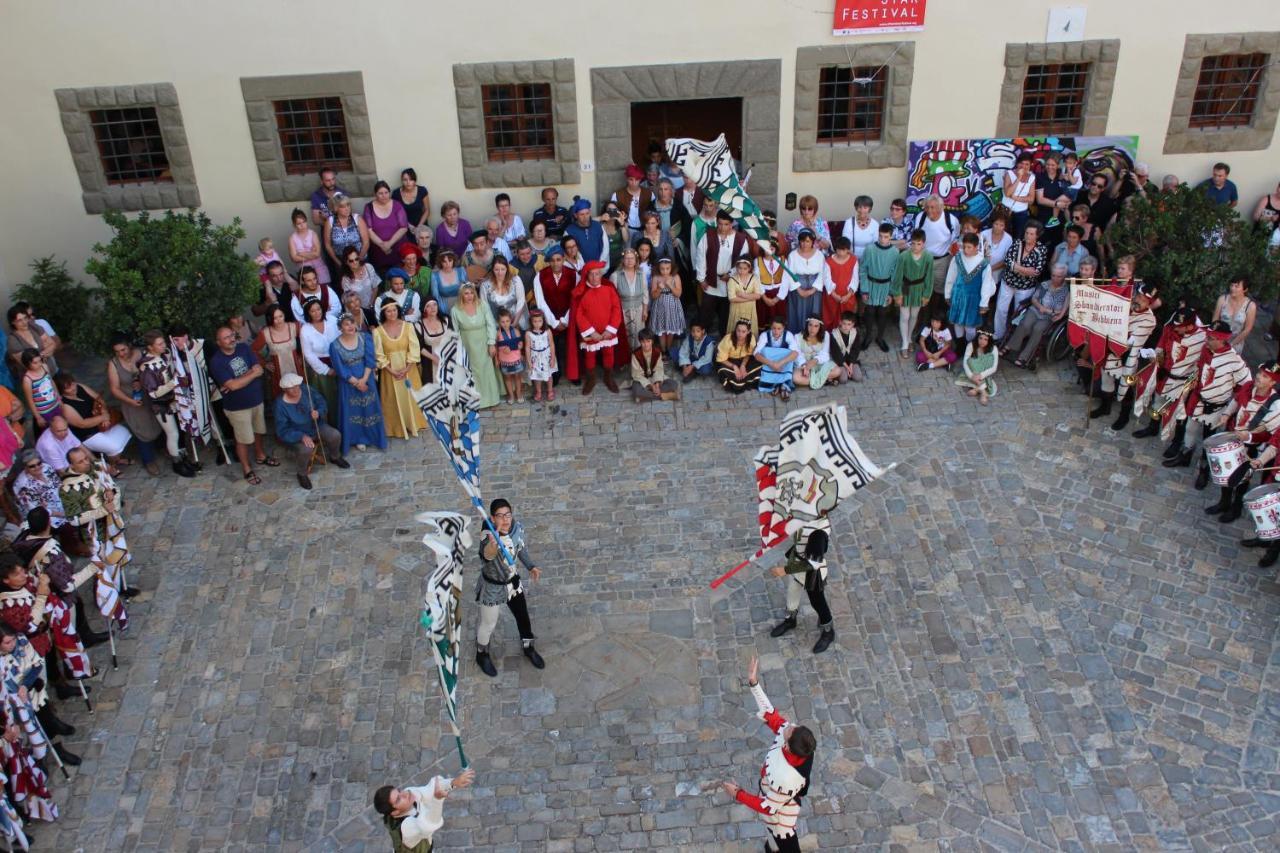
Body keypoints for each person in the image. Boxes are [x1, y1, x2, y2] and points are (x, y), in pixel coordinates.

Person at [720, 655, 816, 853]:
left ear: (788, 747)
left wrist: (738, 794)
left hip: (780, 816)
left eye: (789, 730)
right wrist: (754, 683)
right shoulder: (795, 739)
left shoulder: (788, 779)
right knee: (771, 841)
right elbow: (771, 715)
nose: (787, 725)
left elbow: (767, 807)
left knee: (784, 842)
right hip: (772, 796)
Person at [1164, 321, 1252, 474]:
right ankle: (1185, 456)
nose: (1207, 340)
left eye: (1211, 338)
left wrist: (1233, 404)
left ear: (1221, 339)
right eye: (1207, 337)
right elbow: (1201, 369)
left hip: (1216, 406)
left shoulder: (1235, 361)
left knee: (1209, 439)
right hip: (1198, 399)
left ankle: (1204, 468)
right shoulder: (1206, 349)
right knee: (1190, 429)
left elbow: (1246, 385)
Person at [474, 498, 546, 677]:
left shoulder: (515, 527)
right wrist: (493, 545)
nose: (505, 520)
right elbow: (487, 556)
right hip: (493, 587)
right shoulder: (487, 536)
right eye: (500, 516)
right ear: (492, 518)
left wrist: (531, 566)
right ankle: (481, 654)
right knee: (488, 624)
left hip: (513, 583)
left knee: (523, 618)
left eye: (508, 515)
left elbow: (520, 549)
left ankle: (529, 648)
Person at [1203, 361, 1280, 523]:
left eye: (1265, 376)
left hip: (1253, 445)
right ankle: (1224, 502)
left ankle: (1236, 508)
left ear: (1273, 382)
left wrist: (1248, 437)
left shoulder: (1276, 404)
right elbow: (1236, 401)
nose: (1259, 377)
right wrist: (1226, 414)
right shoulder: (1249, 386)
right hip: (1234, 435)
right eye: (1259, 373)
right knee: (1226, 471)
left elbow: (1268, 432)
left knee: (1242, 478)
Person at [1090, 280, 1159, 431]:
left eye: (1144, 300)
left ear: (1149, 303)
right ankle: (1105, 407)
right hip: (1112, 351)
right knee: (1106, 381)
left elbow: (1131, 342)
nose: (1139, 300)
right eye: (1139, 296)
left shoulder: (1149, 320)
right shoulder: (1125, 306)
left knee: (1126, 388)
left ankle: (1124, 416)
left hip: (1129, 359)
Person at [207, 326, 272, 485]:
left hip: (256, 400)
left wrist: (241, 379)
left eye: (232, 335)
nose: (231, 339)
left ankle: (261, 456)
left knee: (258, 431)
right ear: (219, 342)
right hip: (237, 407)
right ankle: (246, 469)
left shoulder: (243, 348)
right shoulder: (216, 362)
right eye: (226, 338)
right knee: (242, 439)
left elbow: (259, 370)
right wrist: (250, 374)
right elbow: (234, 386)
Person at [1132, 307, 1205, 439]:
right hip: (1165, 375)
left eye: (1180, 326)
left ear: (1189, 326)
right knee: (1157, 403)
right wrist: (1158, 363)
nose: (1175, 328)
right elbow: (1160, 348)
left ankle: (1176, 441)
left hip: (1185, 381)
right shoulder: (1169, 329)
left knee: (1179, 411)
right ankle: (1153, 427)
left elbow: (1203, 363)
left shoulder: (1203, 338)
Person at [767, 522, 836, 653]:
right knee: (792, 592)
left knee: (818, 603)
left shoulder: (818, 533)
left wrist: (785, 570)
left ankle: (828, 631)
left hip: (812, 573)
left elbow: (813, 563)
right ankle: (790, 620)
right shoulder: (804, 519)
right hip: (797, 565)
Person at [273, 373, 348, 490]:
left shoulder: (305, 389)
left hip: (316, 426)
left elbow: (321, 402)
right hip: (298, 434)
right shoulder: (280, 405)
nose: (296, 389)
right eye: (291, 388)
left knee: (335, 435)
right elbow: (282, 430)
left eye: (297, 386)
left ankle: (335, 457)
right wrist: (301, 436)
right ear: (284, 389)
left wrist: (318, 412)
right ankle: (302, 474)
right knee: (306, 449)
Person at [373, 768, 476, 853]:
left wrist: (454, 782)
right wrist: (437, 800)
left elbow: (430, 789)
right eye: (399, 799)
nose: (404, 794)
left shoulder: (410, 794)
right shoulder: (406, 828)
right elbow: (429, 824)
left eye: (399, 791)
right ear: (395, 812)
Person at [326, 313, 386, 455]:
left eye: (352, 323)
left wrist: (364, 379)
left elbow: (370, 360)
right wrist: (355, 382)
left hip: (366, 377)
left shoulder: (365, 337)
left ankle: (374, 436)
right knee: (353, 411)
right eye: (346, 324)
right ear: (340, 328)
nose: (350, 326)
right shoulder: (334, 345)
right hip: (348, 383)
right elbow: (340, 368)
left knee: (369, 408)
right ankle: (358, 438)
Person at [137, 330, 196, 477]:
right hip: (161, 405)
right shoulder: (147, 367)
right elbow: (153, 393)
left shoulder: (165, 355)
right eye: (160, 344)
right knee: (173, 434)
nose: (164, 345)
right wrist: (174, 382)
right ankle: (177, 463)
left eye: (163, 342)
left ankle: (184, 459)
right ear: (150, 347)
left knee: (181, 432)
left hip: (174, 400)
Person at [105, 335, 162, 475]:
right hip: (131, 402)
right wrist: (130, 401)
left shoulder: (142, 353)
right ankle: (148, 460)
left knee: (158, 422)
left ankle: (162, 447)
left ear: (129, 346)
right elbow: (114, 389)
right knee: (140, 430)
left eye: (123, 349)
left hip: (151, 396)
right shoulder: (113, 364)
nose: (121, 354)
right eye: (117, 351)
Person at [373, 302, 426, 438]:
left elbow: (414, 348)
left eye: (394, 310)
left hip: (408, 368)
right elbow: (379, 354)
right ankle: (396, 427)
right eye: (388, 311)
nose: (392, 313)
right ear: (384, 313)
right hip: (390, 371)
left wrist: (407, 368)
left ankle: (413, 423)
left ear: (398, 311)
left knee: (410, 396)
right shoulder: (378, 331)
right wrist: (392, 371)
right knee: (393, 399)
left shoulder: (408, 327)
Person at [1002, 265, 1069, 368]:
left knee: (1038, 329)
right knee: (1024, 324)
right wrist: (1040, 307)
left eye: (1058, 276)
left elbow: (1063, 310)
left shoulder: (1066, 292)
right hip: (1035, 310)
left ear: (1064, 277)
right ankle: (1010, 346)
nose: (1055, 278)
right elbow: (1034, 299)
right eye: (1053, 275)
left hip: (1049, 316)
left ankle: (1024, 357)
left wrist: (1047, 310)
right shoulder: (1045, 284)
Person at [696, 210, 749, 334]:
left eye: (726, 224)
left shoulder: (741, 239)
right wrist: (701, 279)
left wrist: (731, 274)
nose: (722, 227)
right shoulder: (708, 236)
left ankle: (725, 343)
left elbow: (743, 260)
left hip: (729, 283)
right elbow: (701, 257)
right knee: (705, 314)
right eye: (720, 224)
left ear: (732, 224)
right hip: (711, 282)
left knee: (726, 317)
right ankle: (702, 340)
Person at [912, 195, 961, 330]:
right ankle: (922, 321)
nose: (929, 210)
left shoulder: (951, 220)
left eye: (933, 207)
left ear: (941, 207)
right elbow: (916, 237)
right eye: (927, 207)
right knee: (922, 290)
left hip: (942, 260)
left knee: (939, 292)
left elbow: (955, 241)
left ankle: (936, 321)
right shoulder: (920, 217)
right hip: (923, 260)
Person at [993, 221, 1047, 341]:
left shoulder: (1041, 250)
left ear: (1037, 236)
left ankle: (1013, 338)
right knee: (1001, 309)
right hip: (1008, 283)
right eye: (1027, 233)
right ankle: (999, 334)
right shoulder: (1017, 243)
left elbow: (1036, 272)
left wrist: (1016, 267)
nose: (1028, 236)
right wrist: (1025, 270)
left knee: (1019, 314)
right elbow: (1007, 261)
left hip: (1025, 288)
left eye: (1031, 234)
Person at [453, 283, 503, 409]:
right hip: (468, 345)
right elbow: (455, 332)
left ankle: (491, 399)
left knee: (486, 370)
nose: (469, 296)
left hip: (484, 342)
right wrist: (459, 350)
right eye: (466, 293)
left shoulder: (482, 305)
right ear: (461, 295)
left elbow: (491, 323)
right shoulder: (455, 310)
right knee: (472, 372)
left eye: (471, 292)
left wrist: (491, 343)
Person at [944, 234, 996, 343]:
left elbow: (986, 285)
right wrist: (948, 294)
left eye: (969, 247)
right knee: (958, 322)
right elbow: (951, 277)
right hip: (958, 296)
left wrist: (983, 304)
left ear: (976, 246)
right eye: (964, 247)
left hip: (973, 299)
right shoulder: (957, 258)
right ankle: (960, 344)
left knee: (970, 326)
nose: (966, 250)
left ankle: (970, 344)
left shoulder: (983, 263)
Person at [533, 247, 576, 375]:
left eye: (558, 259)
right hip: (550, 320)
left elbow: (575, 299)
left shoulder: (573, 274)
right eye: (552, 260)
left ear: (563, 259)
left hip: (569, 318)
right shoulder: (540, 276)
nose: (556, 263)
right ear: (548, 262)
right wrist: (555, 322)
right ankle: (555, 374)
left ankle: (573, 374)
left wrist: (565, 320)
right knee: (552, 348)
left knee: (571, 348)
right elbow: (540, 301)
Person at [299, 299, 340, 427]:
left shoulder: (332, 320)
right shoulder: (305, 330)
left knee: (342, 395)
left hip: (339, 362)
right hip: (320, 368)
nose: (317, 313)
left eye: (318, 309)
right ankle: (330, 428)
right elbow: (308, 355)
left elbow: (342, 338)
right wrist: (326, 370)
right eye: (312, 311)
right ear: (308, 313)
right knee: (327, 397)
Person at [858, 223, 898, 351]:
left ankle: (880, 337)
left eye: (886, 237)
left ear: (891, 237)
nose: (882, 239)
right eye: (880, 236)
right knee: (869, 312)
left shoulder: (895, 252)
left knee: (882, 312)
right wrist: (864, 289)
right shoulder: (870, 249)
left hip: (885, 286)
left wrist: (891, 293)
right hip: (871, 284)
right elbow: (863, 269)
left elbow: (895, 273)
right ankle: (868, 336)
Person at [894, 229, 932, 358]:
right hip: (905, 288)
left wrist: (926, 295)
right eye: (914, 243)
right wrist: (897, 294)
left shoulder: (928, 257)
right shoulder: (903, 256)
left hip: (919, 289)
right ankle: (904, 343)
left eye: (919, 244)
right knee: (905, 316)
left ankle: (909, 338)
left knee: (914, 315)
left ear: (924, 243)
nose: (916, 247)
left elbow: (929, 277)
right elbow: (897, 276)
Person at [252, 305, 303, 401]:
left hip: (296, 368)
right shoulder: (265, 333)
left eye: (281, 316)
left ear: (284, 315)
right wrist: (265, 364)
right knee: (282, 398)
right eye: (275, 318)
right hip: (278, 372)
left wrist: (301, 356)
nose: (279, 320)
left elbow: (307, 341)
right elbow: (253, 350)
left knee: (300, 395)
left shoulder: (294, 327)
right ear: (270, 318)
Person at [783, 230, 827, 337]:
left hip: (814, 287)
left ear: (812, 242)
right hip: (798, 286)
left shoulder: (819, 254)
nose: (804, 244)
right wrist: (799, 289)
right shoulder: (793, 255)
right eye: (802, 241)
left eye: (807, 241)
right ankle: (798, 336)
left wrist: (813, 289)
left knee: (814, 311)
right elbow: (790, 273)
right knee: (798, 312)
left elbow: (823, 273)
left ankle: (813, 336)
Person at [611, 247, 649, 351]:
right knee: (625, 335)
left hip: (639, 309)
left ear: (636, 260)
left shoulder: (641, 274)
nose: (629, 261)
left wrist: (645, 310)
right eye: (627, 258)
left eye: (632, 258)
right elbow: (612, 297)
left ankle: (637, 358)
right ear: (623, 260)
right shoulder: (615, 276)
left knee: (638, 334)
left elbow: (645, 293)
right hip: (623, 310)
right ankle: (626, 359)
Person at [6, 308, 58, 384]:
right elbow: (27, 364)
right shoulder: (13, 340)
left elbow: (52, 344)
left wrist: (39, 356)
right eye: (19, 320)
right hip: (37, 381)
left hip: (54, 371)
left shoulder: (34, 327)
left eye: (25, 318)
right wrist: (46, 352)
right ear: (13, 322)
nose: (24, 322)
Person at [646, 256, 685, 354]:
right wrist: (659, 288)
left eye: (667, 269)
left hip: (672, 305)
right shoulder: (656, 277)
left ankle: (668, 349)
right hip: (659, 305)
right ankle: (663, 350)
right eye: (662, 269)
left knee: (671, 329)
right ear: (658, 268)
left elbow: (678, 294)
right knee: (661, 330)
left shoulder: (675, 277)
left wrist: (671, 285)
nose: (665, 271)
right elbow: (653, 296)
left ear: (671, 268)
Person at [323, 194, 369, 274]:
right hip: (341, 261)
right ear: (336, 208)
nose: (347, 208)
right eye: (342, 206)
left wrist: (358, 261)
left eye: (348, 205)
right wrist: (338, 262)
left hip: (359, 259)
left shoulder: (357, 219)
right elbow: (328, 245)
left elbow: (366, 242)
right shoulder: (330, 221)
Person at [630, 330, 679, 402]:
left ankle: (644, 396)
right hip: (642, 379)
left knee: (673, 384)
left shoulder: (657, 352)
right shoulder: (636, 354)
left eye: (648, 341)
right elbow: (636, 374)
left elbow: (659, 369)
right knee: (637, 391)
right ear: (640, 342)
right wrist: (650, 386)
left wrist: (657, 384)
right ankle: (664, 395)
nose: (646, 344)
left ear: (652, 341)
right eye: (643, 342)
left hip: (655, 377)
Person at [480, 256, 527, 332]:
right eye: (496, 270)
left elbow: (521, 301)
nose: (500, 273)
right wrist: (495, 327)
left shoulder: (516, 280)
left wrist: (514, 323)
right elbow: (485, 308)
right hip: (496, 324)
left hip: (517, 322)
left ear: (507, 269)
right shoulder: (485, 286)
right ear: (492, 270)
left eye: (503, 269)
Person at [756, 318, 799, 400]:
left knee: (789, 353)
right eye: (774, 328)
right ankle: (776, 385)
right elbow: (756, 354)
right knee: (765, 351)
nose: (776, 331)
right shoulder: (764, 335)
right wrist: (772, 364)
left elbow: (795, 353)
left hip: (782, 364)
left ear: (783, 328)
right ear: (770, 327)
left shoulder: (788, 334)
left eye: (779, 329)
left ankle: (784, 385)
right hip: (769, 363)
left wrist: (779, 363)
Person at [821, 236, 857, 333]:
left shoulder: (853, 260)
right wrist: (833, 294)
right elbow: (826, 278)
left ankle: (845, 337)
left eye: (843, 250)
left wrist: (849, 295)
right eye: (838, 250)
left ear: (848, 250)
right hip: (832, 296)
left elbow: (855, 279)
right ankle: (830, 337)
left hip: (847, 296)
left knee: (846, 319)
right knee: (830, 317)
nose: (841, 253)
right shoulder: (829, 261)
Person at [1034, 153, 1072, 245]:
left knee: (1057, 243)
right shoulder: (1040, 177)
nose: (1049, 167)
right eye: (1047, 164)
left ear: (1058, 165)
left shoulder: (1062, 177)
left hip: (1060, 218)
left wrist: (1067, 203)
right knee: (1041, 243)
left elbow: (1069, 194)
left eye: (1053, 165)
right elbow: (1040, 199)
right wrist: (1057, 204)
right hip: (1044, 217)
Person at [1212, 276, 1256, 355]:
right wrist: (1216, 336)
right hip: (1218, 338)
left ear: (1245, 289)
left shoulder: (1251, 306)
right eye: (1231, 285)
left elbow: (1247, 329)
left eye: (1236, 286)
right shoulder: (1222, 299)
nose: (1232, 288)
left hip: (1236, 342)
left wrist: (1231, 344)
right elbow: (1215, 319)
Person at [19, 350, 59, 434]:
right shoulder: (27, 379)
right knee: (50, 431)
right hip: (44, 411)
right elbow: (30, 400)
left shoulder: (44, 367)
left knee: (60, 424)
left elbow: (51, 382)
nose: (39, 364)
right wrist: (38, 417)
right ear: (27, 364)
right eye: (35, 363)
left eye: (40, 360)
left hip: (55, 404)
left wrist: (59, 398)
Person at [415, 298, 453, 386]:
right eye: (428, 306)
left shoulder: (446, 320)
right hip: (429, 362)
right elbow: (419, 347)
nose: (433, 308)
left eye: (435, 305)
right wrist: (434, 358)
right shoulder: (418, 325)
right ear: (424, 309)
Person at [288, 208, 329, 287]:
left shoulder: (313, 234)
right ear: (294, 225)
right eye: (299, 223)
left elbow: (317, 254)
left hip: (318, 268)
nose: (302, 225)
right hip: (304, 270)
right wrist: (311, 254)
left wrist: (301, 254)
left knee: (324, 289)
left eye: (304, 222)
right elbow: (294, 258)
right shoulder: (292, 238)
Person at [716, 319, 760, 393]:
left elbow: (749, 354)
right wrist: (735, 367)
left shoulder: (751, 338)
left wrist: (743, 366)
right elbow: (721, 359)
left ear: (748, 332)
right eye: (738, 330)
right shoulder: (728, 340)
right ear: (735, 329)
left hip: (744, 360)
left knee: (760, 364)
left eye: (743, 331)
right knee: (722, 370)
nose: (740, 334)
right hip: (729, 361)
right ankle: (745, 381)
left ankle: (742, 380)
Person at [792, 316, 836, 390]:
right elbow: (797, 355)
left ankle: (814, 381)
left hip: (819, 364)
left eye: (816, 326)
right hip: (804, 365)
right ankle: (824, 381)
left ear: (820, 327)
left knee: (837, 371)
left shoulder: (825, 335)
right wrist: (805, 366)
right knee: (795, 378)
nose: (812, 329)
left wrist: (815, 360)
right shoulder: (797, 337)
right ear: (807, 325)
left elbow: (825, 354)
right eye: (810, 325)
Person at [957, 329, 999, 405]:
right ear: (977, 338)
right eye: (980, 338)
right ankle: (983, 392)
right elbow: (965, 362)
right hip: (973, 371)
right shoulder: (971, 345)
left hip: (984, 372)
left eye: (985, 339)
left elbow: (994, 368)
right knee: (970, 361)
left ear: (989, 341)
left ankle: (977, 389)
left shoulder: (994, 348)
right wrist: (971, 375)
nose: (982, 341)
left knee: (989, 358)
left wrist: (981, 375)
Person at [563, 198, 609, 266]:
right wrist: (580, 268)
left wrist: (601, 266)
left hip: (598, 268)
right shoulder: (569, 231)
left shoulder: (598, 226)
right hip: (580, 270)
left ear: (590, 212)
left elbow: (605, 247)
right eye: (582, 214)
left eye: (587, 213)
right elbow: (568, 253)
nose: (585, 217)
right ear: (576, 215)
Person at [524, 310, 557, 402]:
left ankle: (550, 390)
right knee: (536, 376)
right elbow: (527, 347)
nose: (537, 323)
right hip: (535, 357)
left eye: (540, 321)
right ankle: (538, 391)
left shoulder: (547, 331)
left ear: (543, 321)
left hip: (546, 356)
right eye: (535, 321)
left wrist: (553, 358)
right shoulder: (528, 333)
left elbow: (551, 344)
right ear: (531, 321)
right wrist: (529, 361)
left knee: (549, 374)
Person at [1000, 154, 1036, 237]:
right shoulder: (1009, 174)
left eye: (1027, 164)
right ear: (1017, 163)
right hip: (1006, 211)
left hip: (1021, 213)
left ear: (1030, 165)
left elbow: (1031, 199)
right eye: (1021, 163)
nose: (1023, 166)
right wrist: (1019, 177)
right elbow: (1007, 193)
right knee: (1004, 235)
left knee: (1018, 237)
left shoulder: (1032, 178)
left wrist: (1015, 197)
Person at [611, 164, 653, 231]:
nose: (634, 183)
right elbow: (612, 215)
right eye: (631, 179)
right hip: (626, 229)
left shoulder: (649, 194)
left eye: (637, 179)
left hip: (645, 229)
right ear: (627, 179)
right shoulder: (617, 195)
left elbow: (654, 213)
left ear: (640, 179)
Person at [339, 246, 382, 311]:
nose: (355, 262)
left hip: (374, 305)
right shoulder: (346, 279)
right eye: (351, 261)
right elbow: (349, 299)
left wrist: (371, 304)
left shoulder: (368, 267)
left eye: (356, 259)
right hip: (359, 309)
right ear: (346, 262)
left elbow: (375, 287)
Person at [393, 168, 431, 235]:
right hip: (404, 227)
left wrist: (419, 226)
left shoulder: (422, 190)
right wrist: (409, 226)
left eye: (411, 179)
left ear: (414, 180)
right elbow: (396, 214)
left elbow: (427, 210)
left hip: (422, 226)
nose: (408, 182)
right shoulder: (396, 194)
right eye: (405, 180)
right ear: (402, 181)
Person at [828, 312, 863, 383]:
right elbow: (836, 353)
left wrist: (850, 365)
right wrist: (847, 367)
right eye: (844, 323)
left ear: (853, 324)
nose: (846, 327)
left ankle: (849, 370)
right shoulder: (834, 334)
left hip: (850, 360)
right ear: (840, 322)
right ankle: (844, 371)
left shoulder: (855, 333)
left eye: (849, 324)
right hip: (839, 360)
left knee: (858, 378)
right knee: (843, 380)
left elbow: (855, 350)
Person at [840, 195, 879, 259]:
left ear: (870, 209)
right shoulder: (849, 222)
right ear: (856, 208)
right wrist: (853, 258)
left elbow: (876, 245)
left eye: (865, 207)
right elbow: (845, 243)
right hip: (850, 257)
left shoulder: (875, 224)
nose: (862, 210)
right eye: (859, 207)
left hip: (869, 258)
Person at [431, 249, 466, 317]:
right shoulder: (435, 275)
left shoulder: (461, 271)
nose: (448, 264)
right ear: (440, 262)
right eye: (444, 261)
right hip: (444, 308)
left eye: (450, 261)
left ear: (454, 260)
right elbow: (435, 296)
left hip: (462, 305)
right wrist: (442, 311)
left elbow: (467, 291)